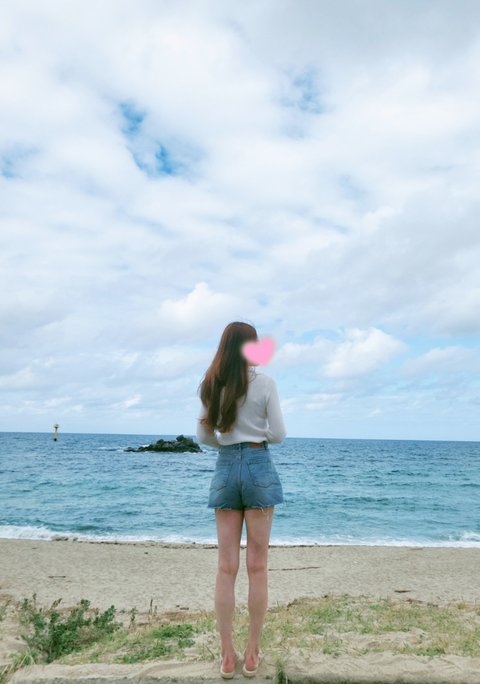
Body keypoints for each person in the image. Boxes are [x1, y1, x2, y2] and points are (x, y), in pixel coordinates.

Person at [196, 321, 287, 679]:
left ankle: (226, 655)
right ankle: (251, 654)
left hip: (225, 466)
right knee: (257, 566)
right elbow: (278, 434)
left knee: (226, 567)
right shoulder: (264, 384)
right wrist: (253, 435)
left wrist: (229, 442)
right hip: (258, 463)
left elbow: (204, 436)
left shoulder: (212, 384)